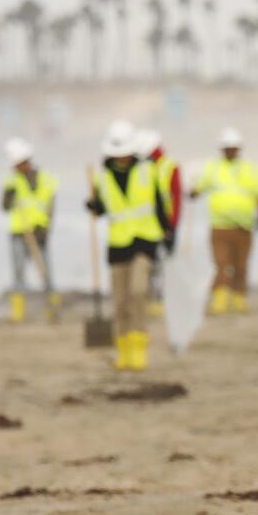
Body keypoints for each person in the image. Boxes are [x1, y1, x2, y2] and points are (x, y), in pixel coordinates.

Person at [85, 120, 162, 371]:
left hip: (145, 241)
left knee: (138, 293)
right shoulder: (103, 178)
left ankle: (140, 348)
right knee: (120, 302)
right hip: (118, 246)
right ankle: (124, 350)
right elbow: (104, 209)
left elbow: (160, 206)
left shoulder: (149, 171)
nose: (122, 157)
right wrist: (93, 207)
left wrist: (167, 235)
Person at [193, 126, 258, 313]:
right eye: (227, 147)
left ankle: (239, 296)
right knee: (222, 264)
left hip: (244, 225)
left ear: (239, 148)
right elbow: (200, 188)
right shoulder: (213, 168)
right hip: (220, 226)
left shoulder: (250, 169)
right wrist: (192, 192)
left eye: (233, 147)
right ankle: (220, 297)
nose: (230, 151)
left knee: (241, 264)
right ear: (222, 149)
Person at [0, 137, 58, 323]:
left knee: (46, 272)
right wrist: (8, 196)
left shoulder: (46, 179)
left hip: (40, 232)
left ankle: (52, 310)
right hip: (19, 232)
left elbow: (50, 206)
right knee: (18, 273)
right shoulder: (11, 181)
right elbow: (4, 206)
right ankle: (18, 313)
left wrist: (45, 227)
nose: (19, 167)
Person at [136, 128, 181, 312]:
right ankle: (150, 298)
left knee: (163, 264)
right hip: (146, 224)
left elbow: (175, 198)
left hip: (165, 223)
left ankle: (160, 299)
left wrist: (171, 225)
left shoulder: (169, 167)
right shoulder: (141, 167)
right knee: (150, 265)